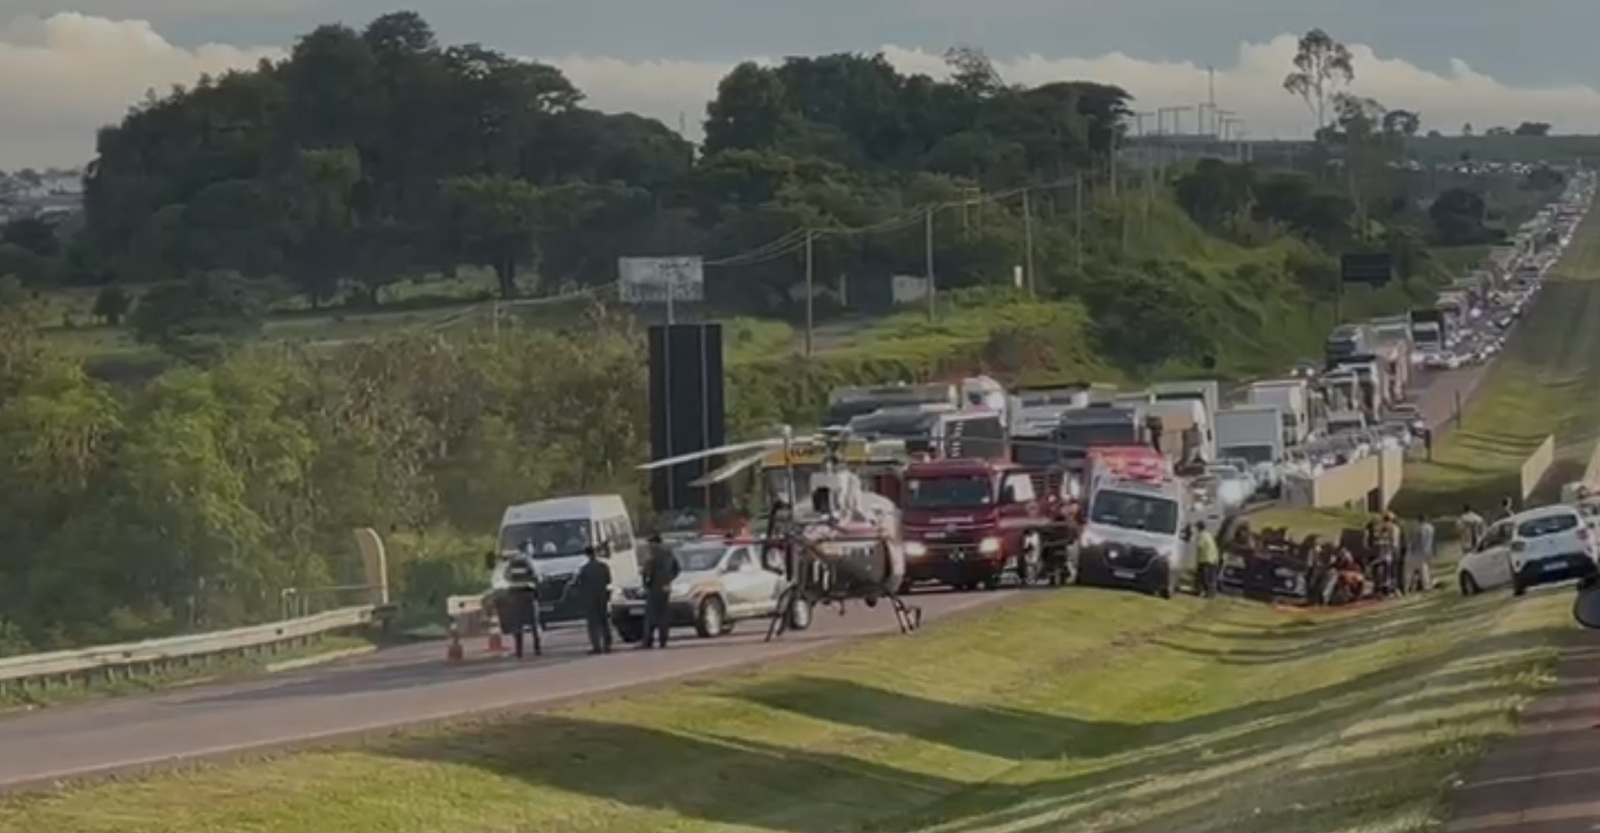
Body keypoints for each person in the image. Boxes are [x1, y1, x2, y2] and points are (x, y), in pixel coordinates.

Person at [639, 534, 680, 649]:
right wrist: (669, 580)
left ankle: (648, 640)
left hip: (654, 589)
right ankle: (663, 640)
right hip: (665, 588)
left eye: (650, 543)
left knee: (650, 616)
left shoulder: (653, 556)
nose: (649, 546)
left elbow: (648, 573)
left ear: (655, 543)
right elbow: (677, 569)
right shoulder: (668, 554)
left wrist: (646, 584)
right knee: (663, 616)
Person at [572, 544, 614, 654]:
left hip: (590, 598)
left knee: (593, 623)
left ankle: (597, 646)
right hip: (602, 596)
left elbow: (577, 583)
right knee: (604, 621)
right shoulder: (603, 566)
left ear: (586, 555)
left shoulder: (584, 569)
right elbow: (609, 580)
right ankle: (608, 644)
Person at [1407, 514, 1436, 594]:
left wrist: (1412, 549)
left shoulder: (1418, 528)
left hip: (1420, 550)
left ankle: (1425, 585)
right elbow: (1433, 539)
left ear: (1419, 520)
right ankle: (1430, 582)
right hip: (1429, 549)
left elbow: (1415, 540)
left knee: (1423, 569)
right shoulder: (1431, 527)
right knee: (1429, 567)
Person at [1194, 521, 1220, 598]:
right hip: (1213, 559)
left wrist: (1197, 560)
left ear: (1198, 528)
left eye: (1196, 527)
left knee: (1203, 578)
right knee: (1210, 578)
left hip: (1205, 559)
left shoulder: (1201, 535)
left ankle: (1204, 592)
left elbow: (1200, 547)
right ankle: (1211, 593)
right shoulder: (1208, 535)